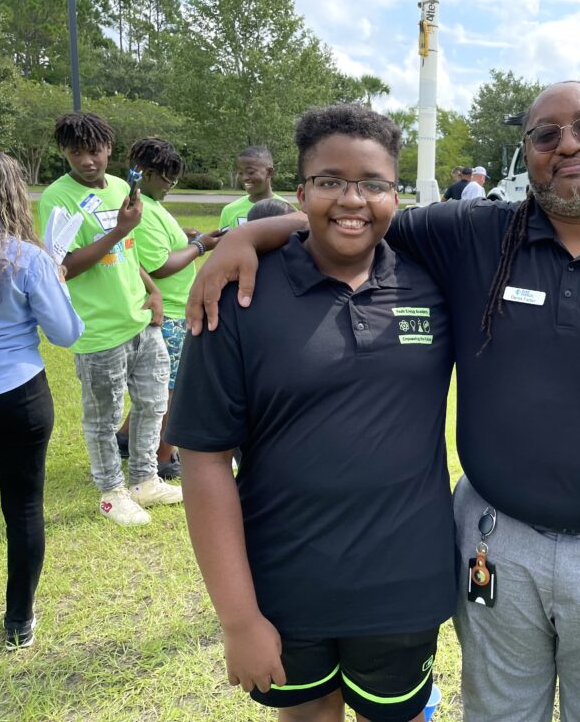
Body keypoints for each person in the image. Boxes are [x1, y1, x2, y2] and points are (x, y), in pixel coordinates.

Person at [187, 81, 580, 722]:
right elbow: (357, 215)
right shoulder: (472, 234)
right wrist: (243, 239)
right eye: (545, 135)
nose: (568, 146)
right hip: (495, 544)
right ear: (526, 151)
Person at [168, 104, 455, 722]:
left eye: (373, 184)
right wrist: (239, 619)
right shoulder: (238, 294)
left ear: (395, 197)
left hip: (403, 584)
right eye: (330, 182)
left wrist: (249, 229)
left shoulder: (435, 284)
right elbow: (205, 460)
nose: (353, 200)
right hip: (284, 585)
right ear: (300, 192)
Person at [35, 112, 183, 527]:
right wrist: (118, 230)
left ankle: (144, 480)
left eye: (94, 150)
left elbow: (131, 251)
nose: (87, 160)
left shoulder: (121, 187)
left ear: (109, 149)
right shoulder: (57, 198)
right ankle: (111, 493)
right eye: (75, 152)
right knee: (102, 417)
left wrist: (153, 291)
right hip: (98, 331)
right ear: (64, 153)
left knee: (154, 402)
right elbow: (63, 265)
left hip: (139, 320)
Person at [0, 147, 84, 650]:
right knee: (23, 508)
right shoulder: (26, 259)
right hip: (15, 393)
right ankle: (18, 621)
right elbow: (66, 333)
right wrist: (58, 284)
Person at [128, 137, 225, 480]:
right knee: (171, 387)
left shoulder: (148, 204)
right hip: (167, 314)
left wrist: (183, 237)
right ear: (149, 173)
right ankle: (163, 456)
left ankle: (127, 437)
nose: (171, 186)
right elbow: (158, 265)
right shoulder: (144, 208)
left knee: (157, 384)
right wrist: (199, 246)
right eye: (168, 179)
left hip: (170, 310)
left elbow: (160, 247)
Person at [219, 146, 285, 229]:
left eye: (250, 172)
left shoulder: (286, 210)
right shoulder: (229, 210)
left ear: (269, 172)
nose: (244, 178)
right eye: (240, 173)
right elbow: (224, 241)